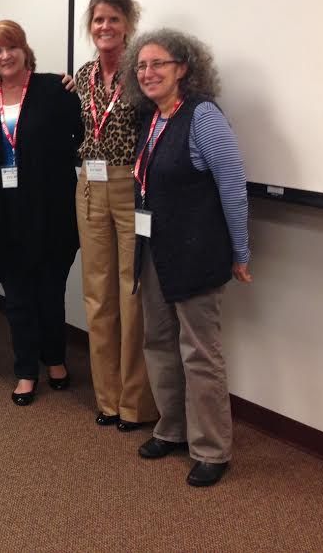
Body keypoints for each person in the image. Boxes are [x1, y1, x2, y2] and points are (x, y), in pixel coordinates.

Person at [123, 28, 252, 487]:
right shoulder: (152, 118)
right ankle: (172, 429)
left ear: (184, 68)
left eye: (159, 63)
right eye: (141, 65)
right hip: (155, 251)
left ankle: (212, 449)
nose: (148, 72)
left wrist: (241, 251)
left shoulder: (204, 117)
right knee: (158, 343)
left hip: (197, 254)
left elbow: (232, 186)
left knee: (200, 352)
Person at [0, 21, 82, 405]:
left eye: (11, 47)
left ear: (24, 49)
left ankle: (54, 358)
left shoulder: (56, 89)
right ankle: (25, 369)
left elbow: (82, 133)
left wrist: (77, 85)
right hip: (5, 210)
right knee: (18, 294)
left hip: (49, 208)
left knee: (50, 290)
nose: (5, 56)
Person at [74, 0, 158, 431]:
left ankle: (135, 405)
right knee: (97, 293)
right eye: (98, 20)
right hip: (89, 186)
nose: (104, 27)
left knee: (132, 292)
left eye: (113, 19)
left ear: (128, 24)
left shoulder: (142, 71)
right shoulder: (84, 74)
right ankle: (107, 400)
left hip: (129, 186)